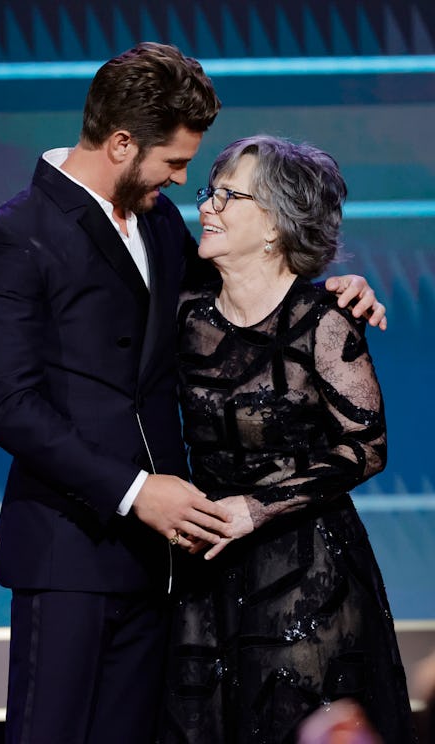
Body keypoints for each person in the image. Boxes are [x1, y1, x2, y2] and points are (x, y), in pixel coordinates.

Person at [0, 42, 386, 744]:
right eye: (176, 163)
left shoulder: (155, 220)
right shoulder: (13, 238)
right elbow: (8, 405)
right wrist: (134, 490)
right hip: (70, 550)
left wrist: (332, 292)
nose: (185, 182)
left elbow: (238, 302)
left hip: (165, 562)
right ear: (122, 142)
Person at [160, 135, 415, 744]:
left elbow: (366, 448)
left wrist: (256, 509)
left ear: (275, 224)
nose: (208, 207)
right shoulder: (182, 309)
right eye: (208, 192)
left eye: (229, 195)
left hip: (307, 574)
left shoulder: (322, 322)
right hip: (206, 569)